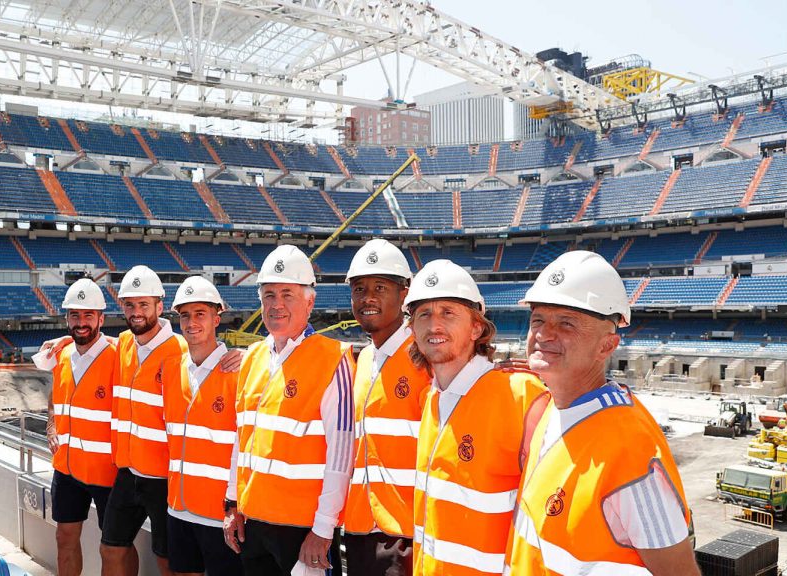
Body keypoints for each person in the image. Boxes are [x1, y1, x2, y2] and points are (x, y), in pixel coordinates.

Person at [507, 251, 698, 575]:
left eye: (566, 323)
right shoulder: (554, 409)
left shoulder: (630, 449)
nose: (544, 333)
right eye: (538, 319)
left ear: (607, 347)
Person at [404, 260, 545, 576]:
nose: (434, 325)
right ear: (411, 329)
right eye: (423, 314)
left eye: (448, 313)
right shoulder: (433, 399)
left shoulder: (521, 397)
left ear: (477, 327)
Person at [223, 244, 355, 576]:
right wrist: (233, 504)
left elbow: (342, 455)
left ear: (310, 301)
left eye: (287, 294)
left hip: (302, 531)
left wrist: (323, 530)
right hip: (253, 524)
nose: (276, 304)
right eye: (269, 295)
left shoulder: (333, 359)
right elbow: (242, 440)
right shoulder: (252, 357)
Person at [342, 239, 430, 576]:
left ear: (404, 295)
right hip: (361, 528)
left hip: (405, 533)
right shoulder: (364, 358)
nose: (368, 298)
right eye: (360, 288)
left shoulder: (425, 356)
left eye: (380, 287)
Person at [103, 265, 187, 576]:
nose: (136, 312)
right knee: (111, 548)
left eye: (143, 305)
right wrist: (62, 342)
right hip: (128, 471)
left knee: (168, 561)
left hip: (164, 479)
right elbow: (92, 343)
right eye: (130, 305)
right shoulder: (125, 342)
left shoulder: (179, 351)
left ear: (159, 307)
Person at [36, 278, 119, 576]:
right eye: (75, 315)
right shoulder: (61, 354)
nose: (81, 322)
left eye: (88, 315)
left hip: (106, 471)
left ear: (101, 318)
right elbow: (55, 396)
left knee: (114, 548)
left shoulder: (119, 356)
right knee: (64, 538)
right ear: (67, 318)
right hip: (68, 468)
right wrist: (51, 425)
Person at [162, 276, 243, 576]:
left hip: (219, 514)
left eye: (200, 314)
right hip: (178, 508)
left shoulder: (237, 372)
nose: (191, 322)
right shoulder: (171, 369)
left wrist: (233, 505)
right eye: (185, 315)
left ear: (216, 317)